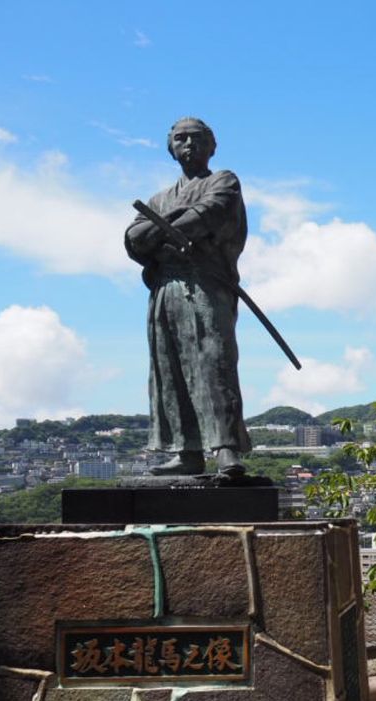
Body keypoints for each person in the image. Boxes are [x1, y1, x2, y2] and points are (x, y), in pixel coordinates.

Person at [124, 117, 251, 476]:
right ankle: (186, 450)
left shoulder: (223, 180)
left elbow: (209, 214)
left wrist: (161, 227)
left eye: (196, 138)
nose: (188, 144)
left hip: (207, 283)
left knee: (215, 362)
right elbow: (133, 240)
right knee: (170, 367)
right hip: (167, 288)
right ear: (171, 148)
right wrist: (165, 228)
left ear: (212, 145)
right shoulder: (158, 198)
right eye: (180, 139)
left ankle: (226, 447)